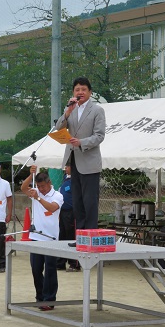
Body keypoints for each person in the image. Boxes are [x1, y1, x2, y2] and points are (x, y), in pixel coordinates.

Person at [55, 76, 105, 230]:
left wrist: (81, 142)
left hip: (89, 162)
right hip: (74, 160)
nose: (80, 92)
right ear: (73, 92)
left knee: (89, 201)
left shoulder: (97, 110)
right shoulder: (70, 109)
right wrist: (68, 112)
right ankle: (81, 235)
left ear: (90, 92)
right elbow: (58, 127)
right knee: (77, 201)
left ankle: (90, 233)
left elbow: (99, 136)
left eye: (84, 89)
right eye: (77, 89)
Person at [21, 166, 63, 310]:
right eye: (38, 186)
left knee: (50, 269)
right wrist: (30, 174)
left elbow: (52, 208)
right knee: (36, 269)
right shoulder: (36, 192)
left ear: (49, 182)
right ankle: (40, 297)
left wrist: (38, 198)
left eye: (43, 186)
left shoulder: (57, 195)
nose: (41, 189)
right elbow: (23, 187)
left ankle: (50, 299)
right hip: (36, 237)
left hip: (50, 238)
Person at [56, 165, 79, 272]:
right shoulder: (65, 179)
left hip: (71, 212)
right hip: (63, 211)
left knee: (71, 236)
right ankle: (61, 262)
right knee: (62, 236)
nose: (65, 168)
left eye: (68, 166)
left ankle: (74, 263)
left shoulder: (76, 180)